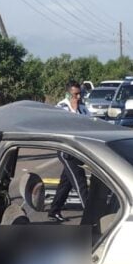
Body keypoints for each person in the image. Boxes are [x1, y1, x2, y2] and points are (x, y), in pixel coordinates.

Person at [48, 81, 90, 223]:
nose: (78, 97)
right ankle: (92, 215)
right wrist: (73, 110)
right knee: (80, 182)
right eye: (75, 94)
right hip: (67, 151)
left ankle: (54, 210)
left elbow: (89, 124)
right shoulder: (61, 107)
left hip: (79, 150)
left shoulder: (83, 108)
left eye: (80, 94)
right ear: (68, 94)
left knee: (66, 183)